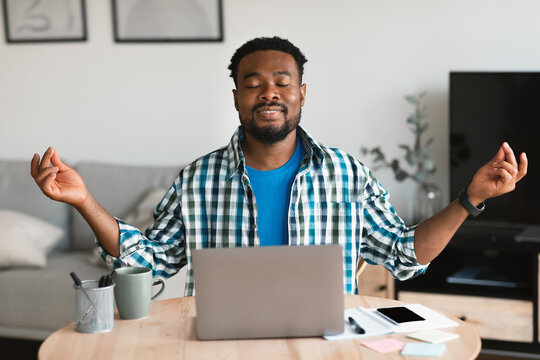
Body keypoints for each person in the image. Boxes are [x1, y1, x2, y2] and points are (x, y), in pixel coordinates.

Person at [31, 36, 527, 296]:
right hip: (223, 346)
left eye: (282, 81)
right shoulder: (198, 179)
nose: (269, 91)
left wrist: (470, 199)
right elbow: (151, 260)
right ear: (236, 98)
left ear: (301, 94)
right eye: (253, 82)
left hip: (323, 344)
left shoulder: (346, 175)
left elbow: (403, 255)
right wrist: (83, 200)